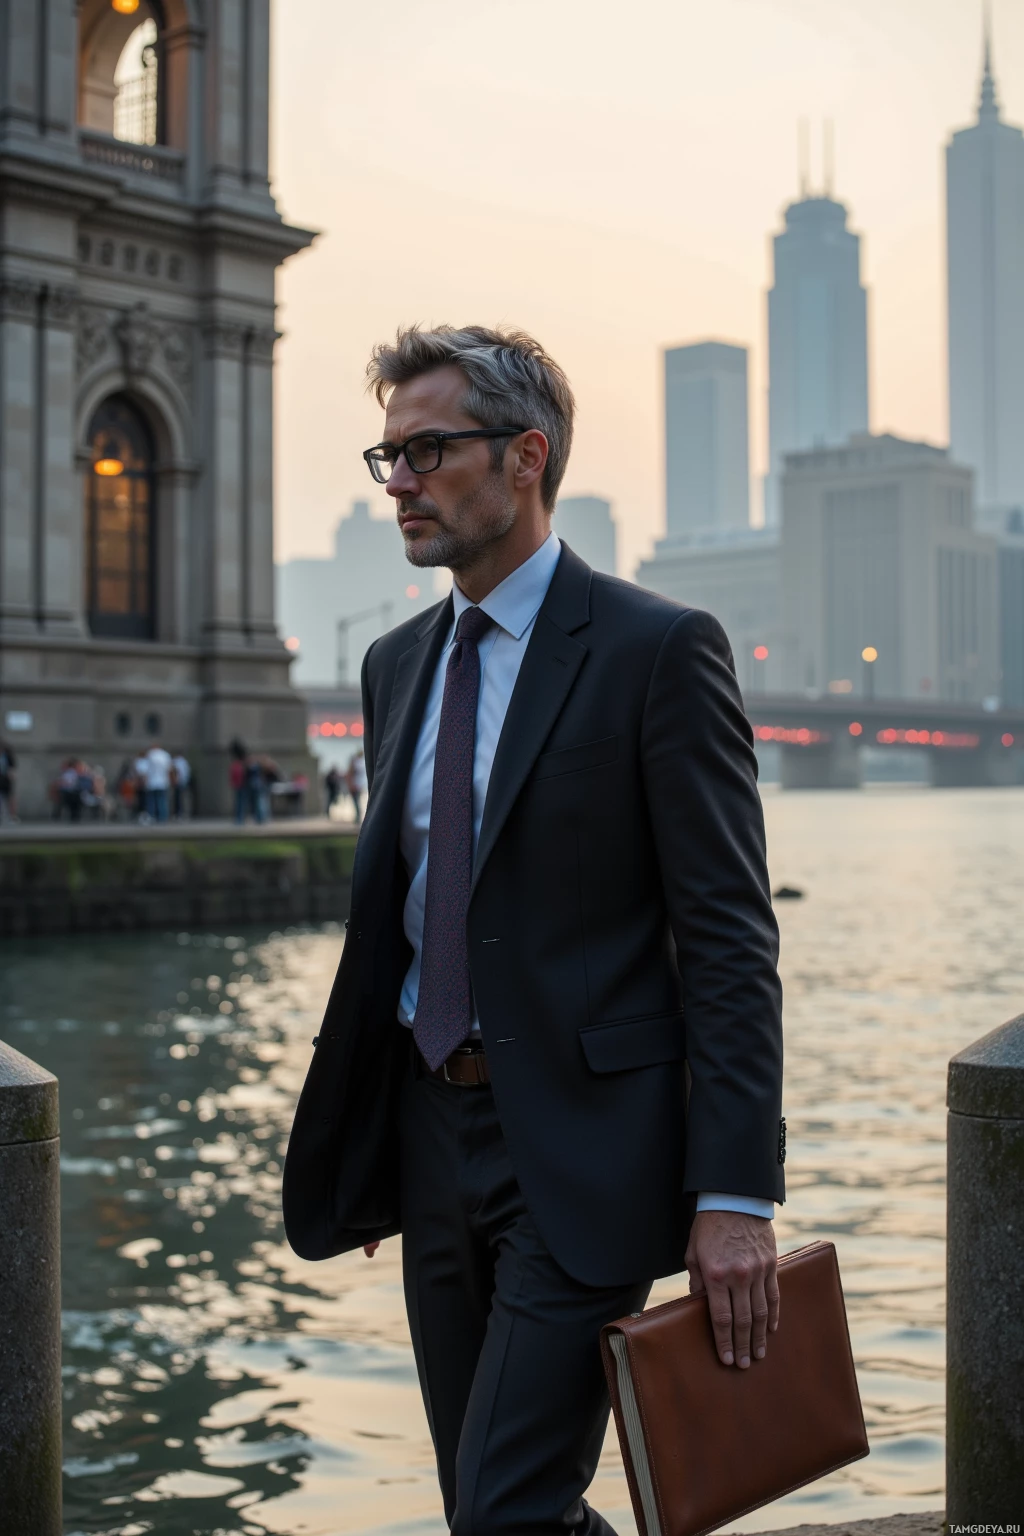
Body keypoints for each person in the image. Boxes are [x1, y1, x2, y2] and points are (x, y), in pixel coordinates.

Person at [283, 327, 785, 1536]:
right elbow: (397, 923)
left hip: (585, 1147)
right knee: (487, 1503)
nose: (397, 479)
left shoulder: (656, 650)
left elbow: (726, 939)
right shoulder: (394, 664)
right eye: (386, 454)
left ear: (524, 458)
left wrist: (735, 1195)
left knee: (506, 1505)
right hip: (426, 1134)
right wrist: (370, 1140)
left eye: (426, 450)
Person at [144, 741, 172, 824]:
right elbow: (169, 769)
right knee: (162, 800)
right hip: (163, 781)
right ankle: (163, 817)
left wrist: (145, 780)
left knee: (152, 801)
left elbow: (146, 769)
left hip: (152, 782)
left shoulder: (151, 754)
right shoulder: (165, 755)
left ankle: (152, 816)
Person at [344, 748, 366, 824]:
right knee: (357, 802)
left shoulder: (356, 763)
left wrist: (351, 785)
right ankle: (358, 817)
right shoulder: (362, 763)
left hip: (356, 785)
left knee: (356, 802)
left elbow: (350, 775)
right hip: (359, 785)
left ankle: (358, 817)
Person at [229, 741, 248, 825]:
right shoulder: (240, 764)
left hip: (240, 785)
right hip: (240, 785)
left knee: (240, 802)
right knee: (240, 802)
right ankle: (240, 818)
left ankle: (240, 818)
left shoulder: (237, 765)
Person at [171, 751, 191, 820]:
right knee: (180, 799)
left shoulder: (176, 762)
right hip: (183, 782)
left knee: (178, 799)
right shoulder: (184, 762)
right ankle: (180, 813)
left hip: (179, 782)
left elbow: (177, 772)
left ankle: (179, 813)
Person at [0, 741, 16, 824]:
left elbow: (12, 769)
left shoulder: (7, 757)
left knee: (9, 799)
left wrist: (11, 776)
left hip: (6, 781)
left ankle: (10, 817)